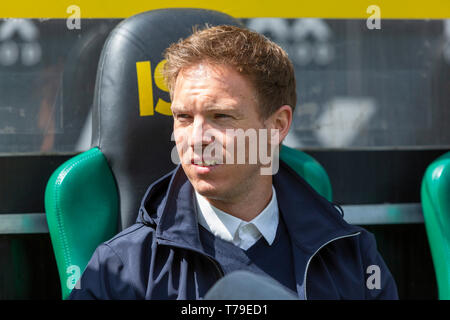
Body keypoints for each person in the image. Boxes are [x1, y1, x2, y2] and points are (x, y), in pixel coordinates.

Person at [69, 25, 398, 300]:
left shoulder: (352, 259)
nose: (196, 137)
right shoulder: (120, 269)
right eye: (183, 117)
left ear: (277, 126)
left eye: (220, 116)